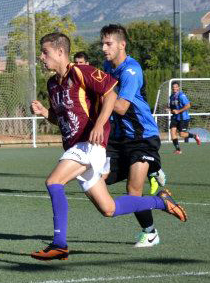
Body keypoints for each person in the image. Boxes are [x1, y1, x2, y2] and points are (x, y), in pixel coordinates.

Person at [30, 32, 187, 261]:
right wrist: (45, 113)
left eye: (45, 52)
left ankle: (59, 245)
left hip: (89, 146)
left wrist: (100, 124)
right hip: (76, 148)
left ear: (61, 51)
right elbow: (60, 119)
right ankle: (160, 201)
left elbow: (111, 95)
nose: (41, 57)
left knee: (54, 182)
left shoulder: (82, 72)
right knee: (109, 209)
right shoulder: (53, 84)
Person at [100, 24, 167, 248]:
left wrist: (98, 98)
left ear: (122, 44)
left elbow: (120, 106)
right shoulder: (106, 67)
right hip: (118, 140)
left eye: (108, 44)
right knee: (99, 181)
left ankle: (150, 233)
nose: (103, 48)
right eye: (102, 43)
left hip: (142, 138)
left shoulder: (131, 71)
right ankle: (154, 171)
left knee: (133, 190)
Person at [169, 81, 201, 154]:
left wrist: (178, 111)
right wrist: (170, 110)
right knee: (172, 133)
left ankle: (194, 136)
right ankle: (178, 150)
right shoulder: (171, 97)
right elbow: (173, 108)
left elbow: (188, 105)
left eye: (176, 87)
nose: (174, 88)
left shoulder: (181, 95)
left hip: (183, 118)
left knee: (182, 134)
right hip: (175, 118)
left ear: (178, 87)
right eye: (173, 87)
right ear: (172, 88)